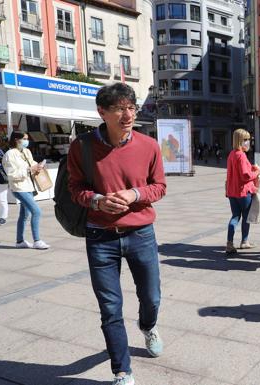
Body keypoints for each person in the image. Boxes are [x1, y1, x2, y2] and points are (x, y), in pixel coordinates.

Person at [67, 83, 167, 385]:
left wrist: (134, 194)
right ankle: (122, 371)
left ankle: (148, 326)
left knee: (151, 297)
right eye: (119, 108)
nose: (128, 114)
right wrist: (97, 199)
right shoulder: (82, 146)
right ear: (102, 112)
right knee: (110, 307)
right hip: (100, 237)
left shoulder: (149, 145)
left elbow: (159, 186)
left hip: (141, 233)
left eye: (131, 107)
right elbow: (75, 189)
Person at [2, 132, 49, 249]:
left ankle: (19, 241)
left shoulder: (26, 151)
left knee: (24, 214)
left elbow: (31, 163)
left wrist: (38, 166)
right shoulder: (9, 154)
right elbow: (11, 174)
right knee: (36, 211)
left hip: (28, 186)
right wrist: (29, 169)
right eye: (25, 139)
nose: (27, 141)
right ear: (17, 139)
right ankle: (37, 240)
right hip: (18, 188)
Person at [226, 128, 260, 254]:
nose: (248, 142)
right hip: (243, 191)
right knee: (246, 217)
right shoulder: (241, 155)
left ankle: (229, 243)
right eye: (246, 140)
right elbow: (245, 175)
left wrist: (250, 167)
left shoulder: (232, 153)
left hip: (232, 191)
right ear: (240, 141)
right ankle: (244, 241)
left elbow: (237, 171)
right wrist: (257, 172)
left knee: (235, 216)